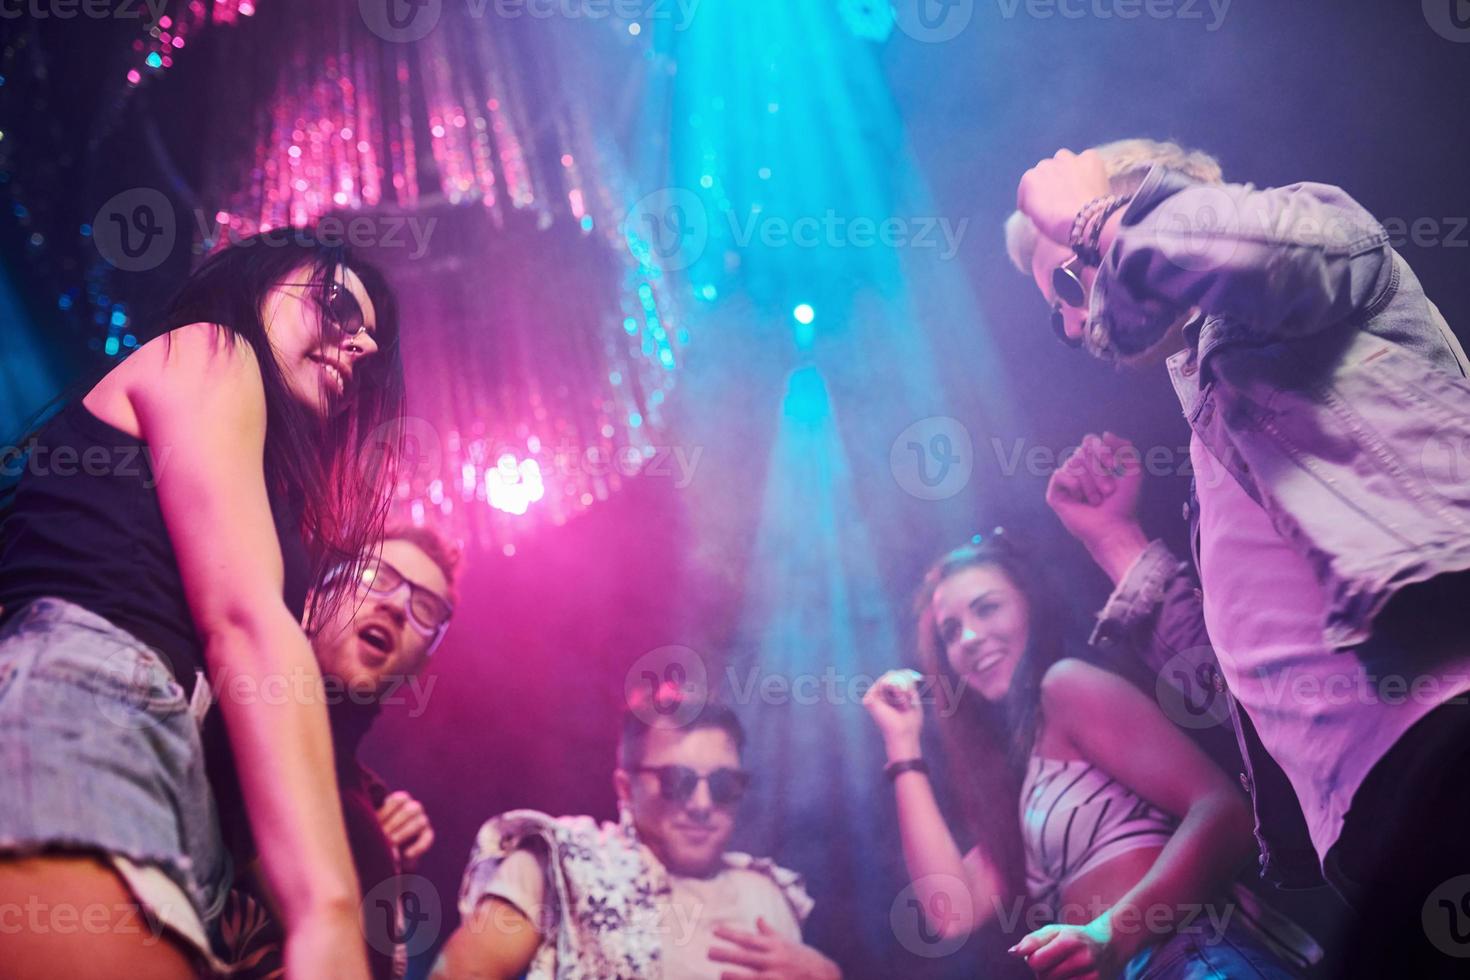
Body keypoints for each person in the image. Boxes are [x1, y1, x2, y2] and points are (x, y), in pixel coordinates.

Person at [1007, 138, 1470, 973]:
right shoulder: (1214, 454)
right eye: (1060, 311)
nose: (1079, 321)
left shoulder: (1314, 243)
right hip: (1375, 824)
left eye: (1073, 282)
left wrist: (1094, 220)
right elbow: (1235, 693)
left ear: (1155, 199)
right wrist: (1112, 540)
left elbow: (1263, 253)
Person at [0, 229, 404, 979]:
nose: (364, 346)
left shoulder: (257, 481)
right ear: (258, 285)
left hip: (150, 756)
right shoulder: (214, 349)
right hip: (89, 703)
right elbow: (246, 626)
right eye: (340, 306)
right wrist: (330, 916)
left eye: (372, 338)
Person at [864, 531, 1317, 979]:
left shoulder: (1065, 685)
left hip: (1182, 956)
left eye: (987, 608)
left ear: (1029, 606)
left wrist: (1111, 934)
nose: (968, 637)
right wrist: (902, 744)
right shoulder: (1026, 777)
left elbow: (1226, 812)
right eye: (950, 631)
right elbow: (952, 912)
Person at [430, 686, 842, 980]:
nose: (701, 804)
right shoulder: (561, 866)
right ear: (626, 789)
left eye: (722, 785)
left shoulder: (768, 896)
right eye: (676, 780)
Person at [218, 522, 460, 980]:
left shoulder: (373, 803)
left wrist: (389, 872)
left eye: (425, 608)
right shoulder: (231, 716)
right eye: (375, 577)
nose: (395, 607)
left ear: (419, 667)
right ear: (313, 597)